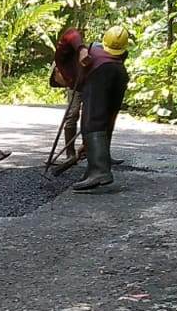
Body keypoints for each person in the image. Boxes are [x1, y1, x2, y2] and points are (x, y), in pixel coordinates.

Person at [73, 25, 130, 191]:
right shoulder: (122, 54)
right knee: (105, 120)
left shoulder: (92, 49)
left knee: (92, 118)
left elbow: (71, 34)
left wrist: (81, 49)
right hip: (119, 75)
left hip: (101, 74)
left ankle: (99, 171)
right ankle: (94, 168)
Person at [50, 27, 90, 164]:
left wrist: (81, 49)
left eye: (57, 81)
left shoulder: (63, 56)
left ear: (56, 72)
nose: (62, 84)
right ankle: (70, 152)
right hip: (77, 87)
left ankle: (93, 150)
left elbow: (71, 34)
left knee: (90, 116)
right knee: (72, 114)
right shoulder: (67, 75)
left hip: (89, 82)